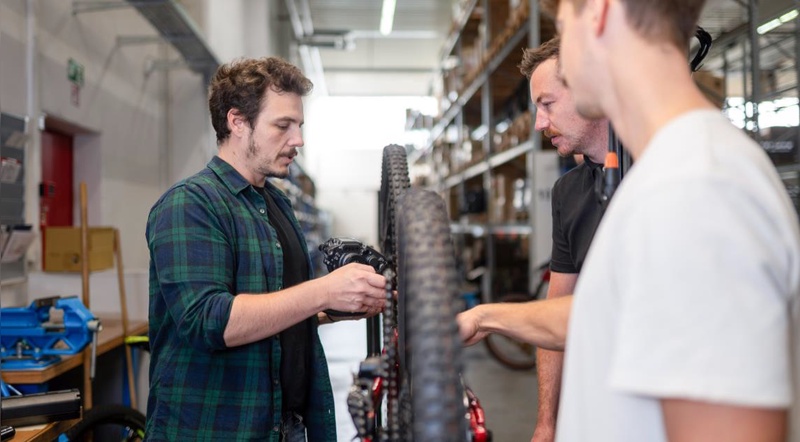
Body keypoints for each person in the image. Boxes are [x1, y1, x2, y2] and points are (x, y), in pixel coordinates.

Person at [459, 0, 800, 440]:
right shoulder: (671, 177)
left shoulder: (697, 188)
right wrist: (486, 318)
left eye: (564, 23)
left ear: (599, 14)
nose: (539, 119)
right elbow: (606, 312)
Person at [145, 57, 386, 441]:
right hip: (217, 429)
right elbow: (210, 321)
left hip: (285, 427)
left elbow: (273, 310)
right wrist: (324, 289)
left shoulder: (275, 203)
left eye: (299, 126)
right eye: (282, 126)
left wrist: (333, 309)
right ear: (237, 122)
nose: (298, 140)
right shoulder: (190, 204)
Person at [518, 36, 608, 442]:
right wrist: (546, 422)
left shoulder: (660, 175)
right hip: (594, 404)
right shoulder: (567, 193)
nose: (539, 123)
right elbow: (557, 311)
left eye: (547, 104)